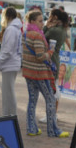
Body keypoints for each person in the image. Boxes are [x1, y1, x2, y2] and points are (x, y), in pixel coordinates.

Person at [21, 9, 68, 138]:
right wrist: (51, 52)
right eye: (40, 21)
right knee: (50, 99)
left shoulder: (25, 33)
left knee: (32, 100)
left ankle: (32, 128)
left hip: (28, 72)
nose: (43, 23)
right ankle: (53, 130)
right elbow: (40, 56)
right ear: (32, 21)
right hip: (39, 73)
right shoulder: (37, 35)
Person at [0, 7, 22, 116]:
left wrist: (0, 62)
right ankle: (8, 114)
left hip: (9, 63)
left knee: (8, 92)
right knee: (8, 91)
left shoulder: (11, 29)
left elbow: (8, 49)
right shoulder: (15, 28)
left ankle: (9, 115)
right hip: (13, 63)